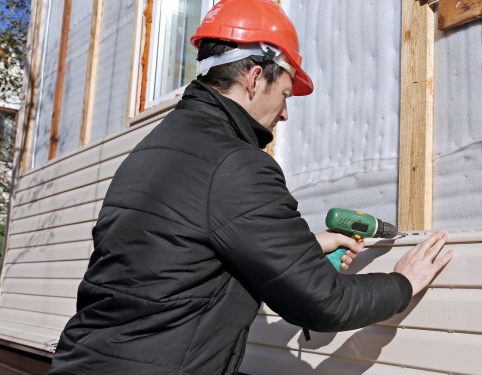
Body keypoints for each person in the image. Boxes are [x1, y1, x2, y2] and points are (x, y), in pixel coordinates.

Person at [48, 0, 453, 374]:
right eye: (285, 93)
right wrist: (403, 282)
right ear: (256, 77)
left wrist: (305, 247)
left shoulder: (154, 150)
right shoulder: (235, 163)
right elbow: (324, 302)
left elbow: (180, 256)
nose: (286, 112)